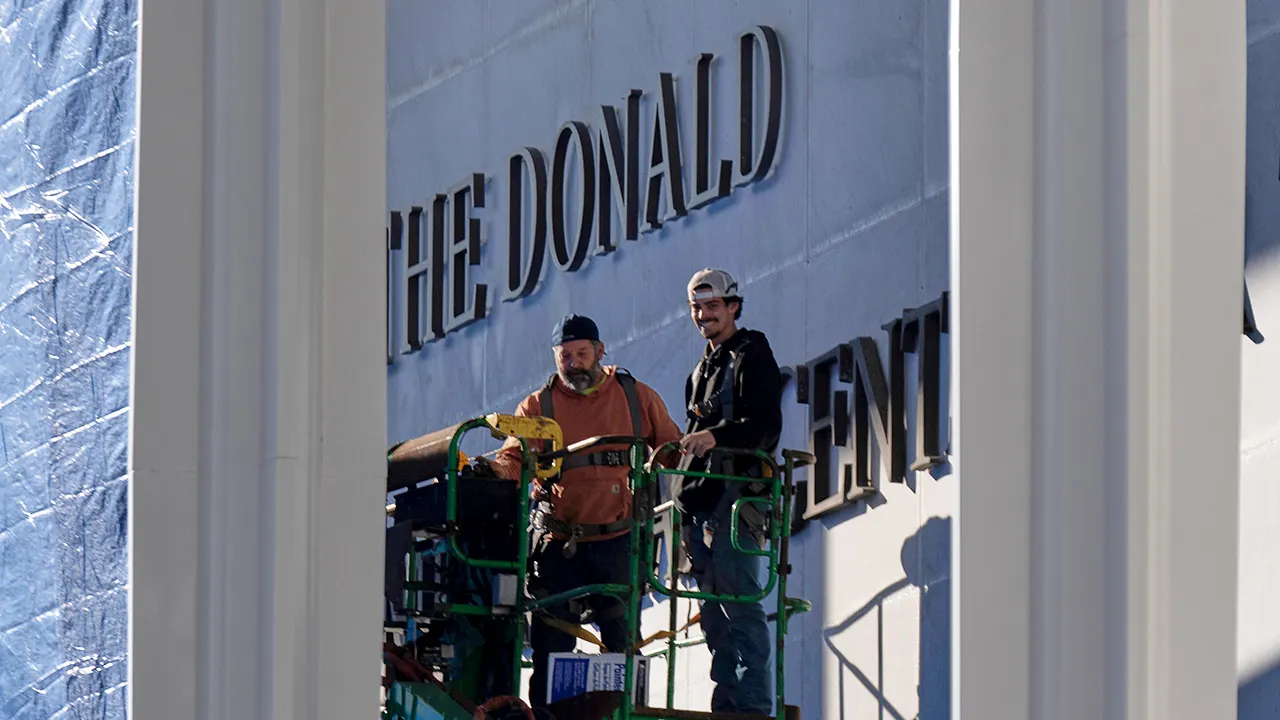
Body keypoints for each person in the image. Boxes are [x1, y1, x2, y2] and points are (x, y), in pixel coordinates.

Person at [488, 313, 683, 711]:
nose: (574, 363)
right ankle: (550, 717)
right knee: (551, 646)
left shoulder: (635, 396)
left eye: (581, 353)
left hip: (619, 541)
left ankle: (624, 715)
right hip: (559, 545)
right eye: (566, 356)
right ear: (555, 357)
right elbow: (513, 461)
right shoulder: (537, 406)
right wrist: (491, 470)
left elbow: (672, 450)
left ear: (600, 351)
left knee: (622, 642)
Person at [672, 268, 783, 716]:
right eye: (697, 308)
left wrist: (717, 436)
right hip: (700, 504)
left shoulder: (751, 354)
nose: (704, 315)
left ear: (734, 307)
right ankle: (728, 700)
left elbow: (766, 426)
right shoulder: (700, 371)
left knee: (740, 602)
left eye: (713, 306)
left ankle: (752, 704)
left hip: (735, 499)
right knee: (713, 613)